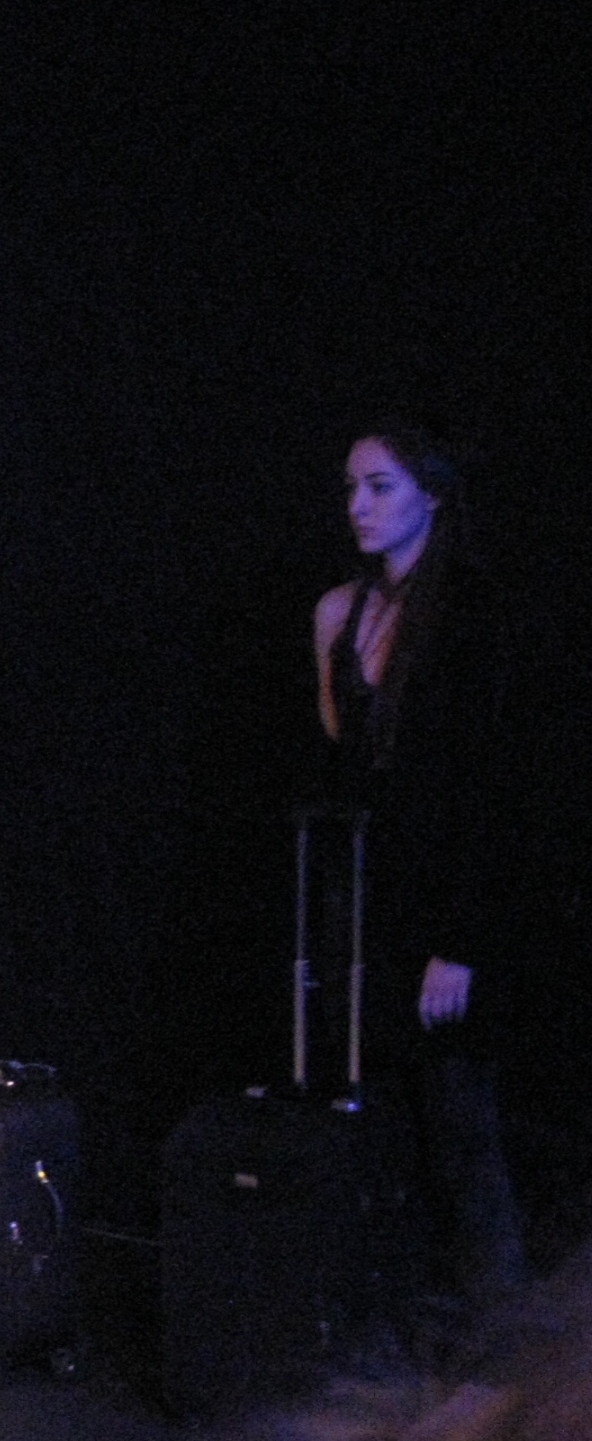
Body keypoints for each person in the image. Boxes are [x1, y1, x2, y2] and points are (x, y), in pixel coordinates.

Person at [312, 424, 528, 1312]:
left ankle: (496, 1337)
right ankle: (394, 1321)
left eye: (380, 487)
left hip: (442, 901)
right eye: (352, 488)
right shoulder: (342, 610)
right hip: (367, 902)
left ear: (429, 494)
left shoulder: (469, 612)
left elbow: (489, 784)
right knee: (379, 1117)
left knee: (457, 1120)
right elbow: (343, 764)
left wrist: (458, 940)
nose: (359, 507)